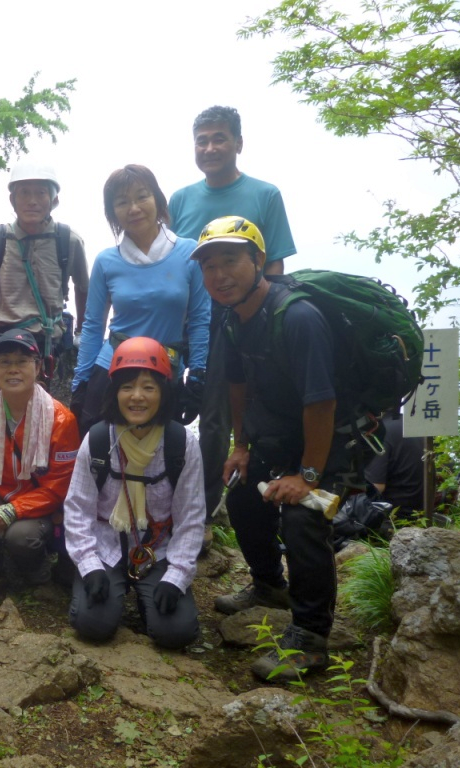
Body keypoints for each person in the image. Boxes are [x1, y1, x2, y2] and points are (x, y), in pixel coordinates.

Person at [192, 216, 369, 681]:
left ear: (258, 261)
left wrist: (308, 476)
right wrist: (241, 445)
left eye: (229, 261)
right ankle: (269, 585)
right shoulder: (232, 319)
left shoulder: (299, 317)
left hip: (330, 442)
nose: (219, 275)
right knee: (244, 494)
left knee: (304, 515)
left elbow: (322, 403)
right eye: (209, 266)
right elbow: (237, 385)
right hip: (279, 440)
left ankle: (311, 637)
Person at [169, 106, 297, 542]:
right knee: (176, 405)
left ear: (238, 143)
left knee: (221, 416)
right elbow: (174, 261)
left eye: (219, 138)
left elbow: (274, 263)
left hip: (247, 319)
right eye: (201, 140)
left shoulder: (265, 194)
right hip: (192, 320)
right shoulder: (181, 199)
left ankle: (204, 512)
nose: (210, 148)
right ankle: (168, 499)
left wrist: (267, 323)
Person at [65, 337, 205, 649]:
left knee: (176, 633)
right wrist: (89, 567)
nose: (137, 397)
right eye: (127, 387)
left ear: (164, 393)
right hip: (106, 547)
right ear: (114, 393)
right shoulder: (99, 440)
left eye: (148, 387)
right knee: (93, 625)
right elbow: (78, 508)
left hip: (158, 549)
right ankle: (113, 587)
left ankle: (150, 594)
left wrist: (177, 577)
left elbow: (190, 518)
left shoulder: (181, 445)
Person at [71, 164, 210, 435]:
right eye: (122, 202)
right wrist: (81, 382)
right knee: (100, 452)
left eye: (142, 196)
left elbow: (200, 319)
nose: (133, 208)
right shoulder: (106, 261)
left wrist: (197, 374)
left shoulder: (189, 252)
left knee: (159, 459)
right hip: (112, 368)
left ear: (158, 200)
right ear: (112, 213)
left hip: (164, 370)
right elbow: (92, 325)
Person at [0, 329, 80, 586]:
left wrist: (15, 509)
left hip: (40, 504)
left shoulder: (61, 420)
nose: (13, 370)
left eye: (22, 362)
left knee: (21, 538)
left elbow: (61, 487)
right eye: (5, 362)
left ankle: (34, 568)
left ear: (38, 366)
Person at [0, 161, 89, 408]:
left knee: (52, 423)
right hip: (1, 345)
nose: (32, 200)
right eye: (24, 193)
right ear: (13, 200)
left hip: (47, 347)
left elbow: (83, 288)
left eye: (41, 193)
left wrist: (81, 333)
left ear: (54, 200)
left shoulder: (68, 240)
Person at [364, 414, 425, 518]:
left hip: (392, 516)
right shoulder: (416, 425)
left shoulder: (380, 431)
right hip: (421, 511)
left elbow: (376, 487)